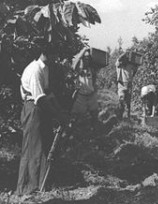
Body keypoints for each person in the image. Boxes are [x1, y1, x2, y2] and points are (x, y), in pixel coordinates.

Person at [17, 40, 67, 195]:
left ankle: (42, 185)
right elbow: (39, 98)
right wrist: (57, 115)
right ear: (46, 54)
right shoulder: (35, 70)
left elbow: (48, 92)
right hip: (33, 109)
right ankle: (26, 188)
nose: (56, 58)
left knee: (44, 146)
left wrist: (60, 111)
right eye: (54, 55)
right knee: (33, 148)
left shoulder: (45, 69)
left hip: (40, 109)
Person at [71, 47, 100, 126]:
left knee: (94, 114)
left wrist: (93, 89)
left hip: (91, 95)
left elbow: (93, 80)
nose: (86, 60)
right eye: (85, 58)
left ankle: (95, 132)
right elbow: (74, 65)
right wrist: (83, 50)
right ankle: (77, 133)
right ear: (82, 58)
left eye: (88, 58)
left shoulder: (91, 69)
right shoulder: (78, 69)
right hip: (81, 96)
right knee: (77, 117)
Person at [116, 52, 138, 119]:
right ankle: (120, 116)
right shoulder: (118, 63)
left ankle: (128, 117)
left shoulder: (130, 64)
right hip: (121, 84)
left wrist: (132, 75)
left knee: (128, 102)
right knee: (121, 99)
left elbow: (135, 69)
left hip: (128, 84)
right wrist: (125, 53)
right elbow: (119, 59)